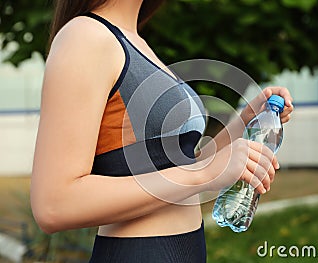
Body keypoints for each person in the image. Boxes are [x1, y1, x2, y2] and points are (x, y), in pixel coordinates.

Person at [30, 0, 294, 262]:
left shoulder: (135, 42)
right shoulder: (85, 36)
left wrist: (244, 121)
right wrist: (203, 173)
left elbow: (177, 170)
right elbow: (54, 205)